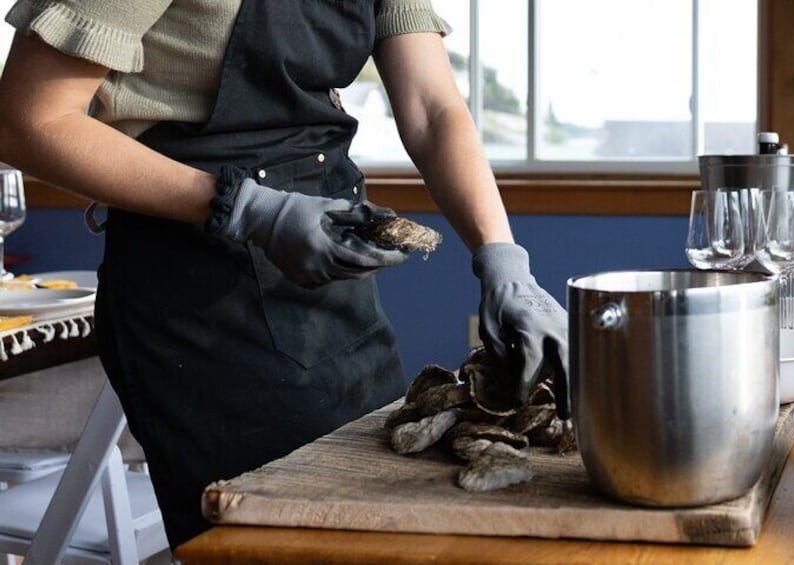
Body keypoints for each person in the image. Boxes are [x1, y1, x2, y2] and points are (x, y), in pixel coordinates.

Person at [0, 0, 568, 548]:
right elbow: (29, 120)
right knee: (269, 540)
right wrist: (248, 208)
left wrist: (502, 259)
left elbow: (431, 106)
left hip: (334, 295)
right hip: (197, 304)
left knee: (389, 520)